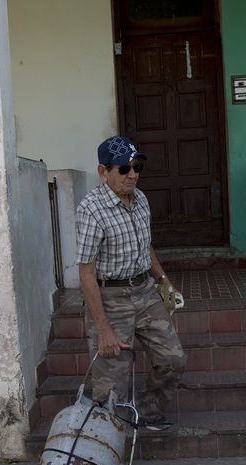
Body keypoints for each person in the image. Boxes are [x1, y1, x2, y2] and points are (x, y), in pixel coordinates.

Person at [75, 135, 186, 431]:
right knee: (111, 382)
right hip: (111, 297)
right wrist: (103, 328)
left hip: (145, 292)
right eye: (124, 169)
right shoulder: (91, 209)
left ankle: (148, 411)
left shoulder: (141, 200)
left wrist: (163, 282)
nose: (133, 174)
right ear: (103, 171)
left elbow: (144, 246)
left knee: (173, 358)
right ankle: (108, 449)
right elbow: (86, 271)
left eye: (136, 167)